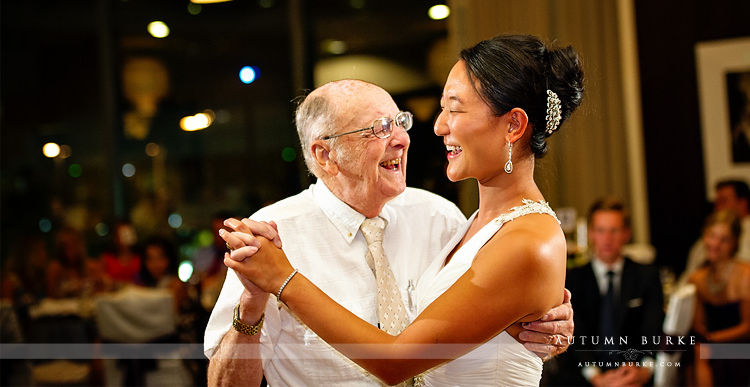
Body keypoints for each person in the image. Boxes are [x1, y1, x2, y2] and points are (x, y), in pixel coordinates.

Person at [222, 33, 584, 386]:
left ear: (513, 125)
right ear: (324, 154)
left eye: (455, 109)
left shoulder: (504, 235)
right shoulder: (470, 225)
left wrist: (283, 279)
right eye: (379, 128)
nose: (437, 127)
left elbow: (398, 362)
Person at [550, 197, 664, 386]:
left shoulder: (646, 276)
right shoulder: (572, 279)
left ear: (627, 234)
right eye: (600, 230)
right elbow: (574, 335)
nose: (607, 238)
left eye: (614, 231)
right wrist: (595, 376)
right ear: (591, 233)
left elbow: (653, 328)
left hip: (633, 370)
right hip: (584, 373)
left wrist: (644, 369)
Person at [689, 209, 750, 386]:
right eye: (712, 236)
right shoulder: (698, 278)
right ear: (704, 236)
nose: (715, 244)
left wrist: (712, 340)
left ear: (734, 243)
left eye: (724, 239)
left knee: (702, 352)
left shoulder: (745, 275)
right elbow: (699, 325)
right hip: (712, 347)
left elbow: (748, 328)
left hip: (744, 348)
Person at [678, 179, 750, 286]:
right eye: (716, 202)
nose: (718, 207)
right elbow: (689, 275)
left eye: (723, 201)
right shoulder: (705, 238)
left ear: (743, 203)